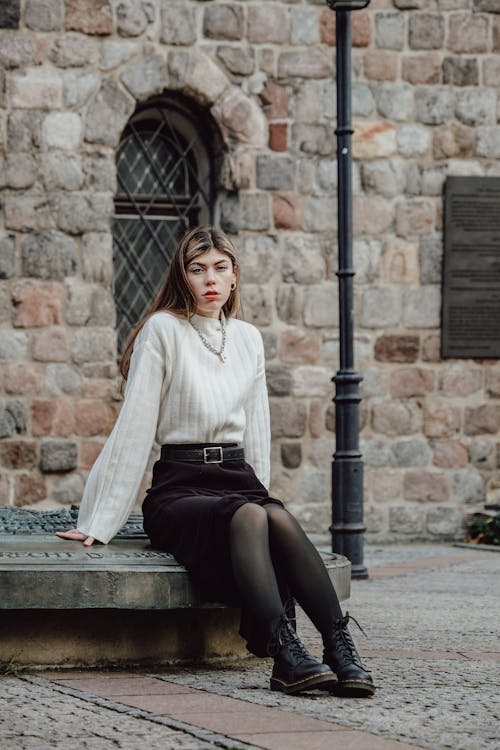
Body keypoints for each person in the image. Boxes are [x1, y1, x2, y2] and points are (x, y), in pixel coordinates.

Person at [57, 225, 375, 698]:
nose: (210, 279)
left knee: (269, 515)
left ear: (234, 277)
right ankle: (284, 652)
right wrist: (100, 518)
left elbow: (257, 428)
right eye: (198, 269)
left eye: (220, 269)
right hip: (180, 488)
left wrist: (264, 501)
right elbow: (133, 428)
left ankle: (338, 647)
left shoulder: (248, 338)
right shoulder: (163, 330)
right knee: (249, 515)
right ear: (183, 277)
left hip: (236, 477)